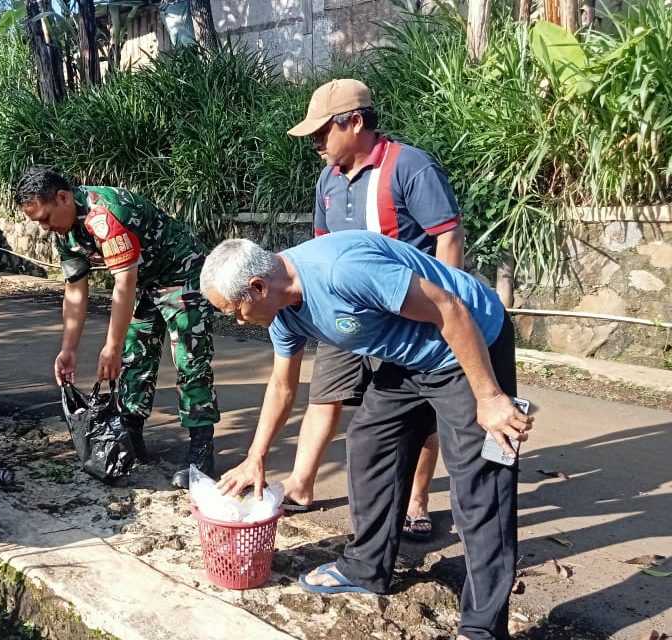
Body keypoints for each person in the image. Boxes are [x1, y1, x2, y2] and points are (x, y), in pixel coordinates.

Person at [201, 233, 532, 640]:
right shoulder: (283, 311)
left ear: (257, 288)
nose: (237, 321)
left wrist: (491, 395)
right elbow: (282, 386)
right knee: (371, 444)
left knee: (481, 479)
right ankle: (367, 566)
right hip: (406, 360)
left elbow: (450, 308)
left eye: (235, 311)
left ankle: (482, 629)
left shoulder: (342, 271)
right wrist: (256, 456)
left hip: (469, 341)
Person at [278, 78, 466, 539]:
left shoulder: (410, 167)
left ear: (355, 122)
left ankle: (416, 501)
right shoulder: (329, 179)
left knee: (421, 410)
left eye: (323, 132)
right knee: (326, 392)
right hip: (345, 310)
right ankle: (301, 484)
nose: (317, 144)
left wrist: (445, 308)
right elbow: (323, 247)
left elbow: (448, 235)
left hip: (406, 310)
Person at [12, 166, 219, 488]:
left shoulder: (105, 216)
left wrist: (110, 346)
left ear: (63, 197)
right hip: (143, 281)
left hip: (180, 275)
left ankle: (201, 448)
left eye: (44, 217)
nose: (43, 227)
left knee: (190, 359)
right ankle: (132, 436)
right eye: (37, 221)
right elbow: (75, 291)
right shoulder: (65, 232)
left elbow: (123, 283)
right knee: (135, 357)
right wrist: (68, 350)